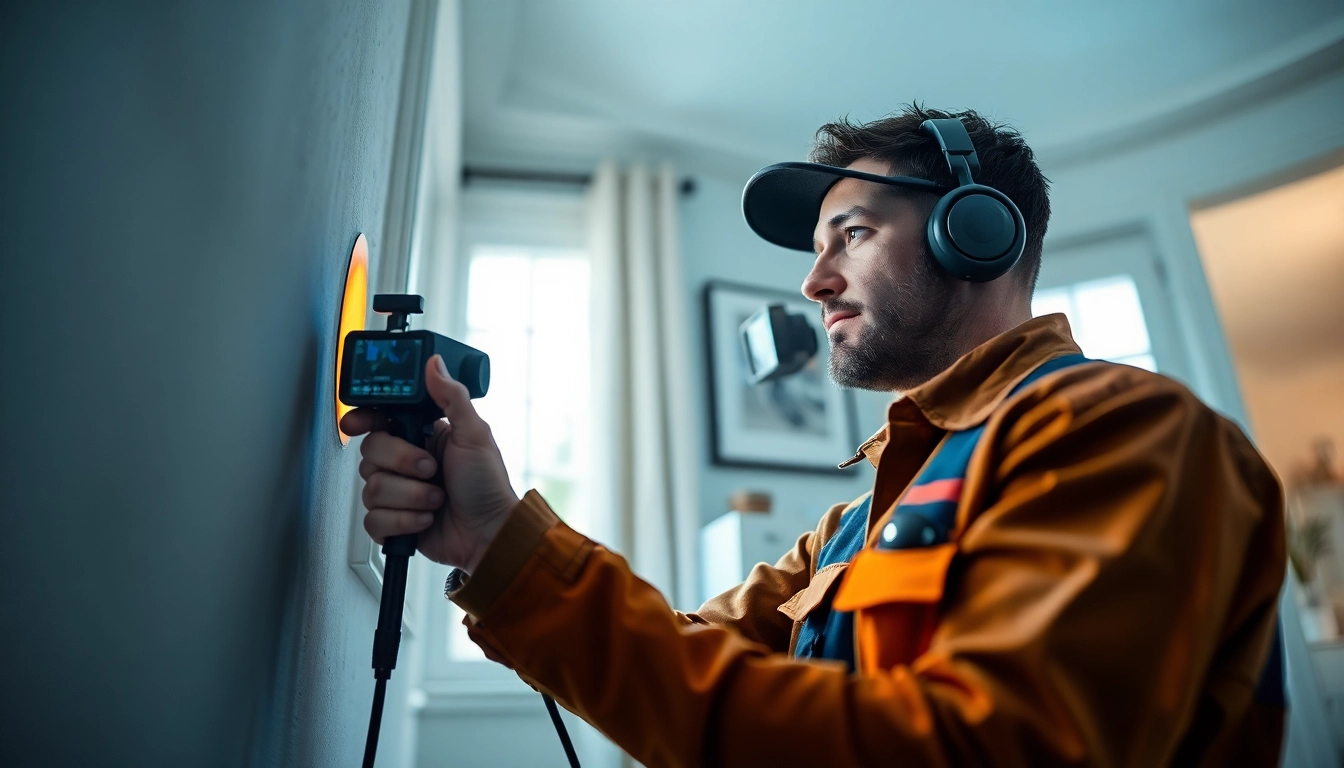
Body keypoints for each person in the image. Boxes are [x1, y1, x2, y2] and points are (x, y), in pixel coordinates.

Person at [341, 106, 1287, 767]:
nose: (813, 281)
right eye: (817, 249)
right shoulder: (851, 527)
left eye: (852, 234)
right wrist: (494, 538)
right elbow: (683, 658)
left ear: (976, 234)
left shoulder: (1124, 431)